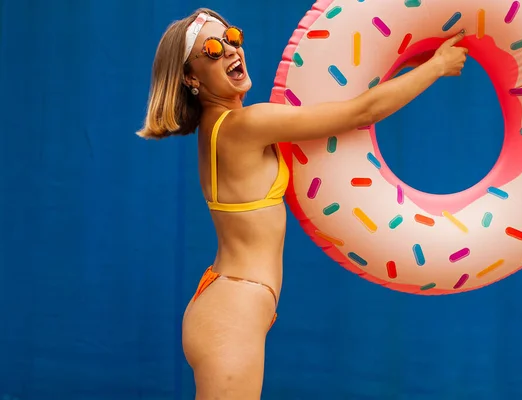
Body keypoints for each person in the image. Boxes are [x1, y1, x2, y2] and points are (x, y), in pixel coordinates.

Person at [137, 7, 467, 400]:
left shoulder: (227, 127)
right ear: (190, 78)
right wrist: (438, 67)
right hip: (231, 313)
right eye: (212, 48)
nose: (229, 50)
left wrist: (408, 61)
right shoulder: (245, 125)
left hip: (230, 305)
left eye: (232, 38)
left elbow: (339, 102)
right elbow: (360, 111)